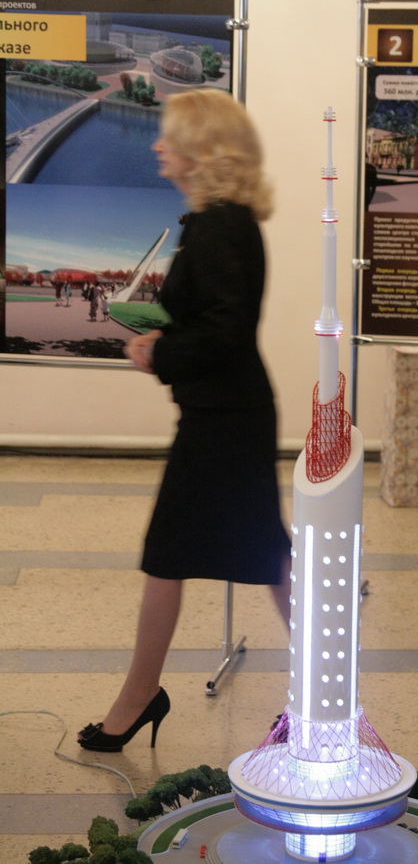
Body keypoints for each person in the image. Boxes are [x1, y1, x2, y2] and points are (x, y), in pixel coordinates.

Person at [77, 89, 291, 753]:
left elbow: (227, 331)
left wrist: (160, 352)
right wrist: (162, 335)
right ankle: (330, 689)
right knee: (255, 556)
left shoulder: (222, 225)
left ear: (201, 149)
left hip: (225, 421)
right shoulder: (214, 221)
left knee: (195, 554)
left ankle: (139, 697)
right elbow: (214, 319)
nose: (156, 145)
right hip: (221, 414)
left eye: (168, 136)